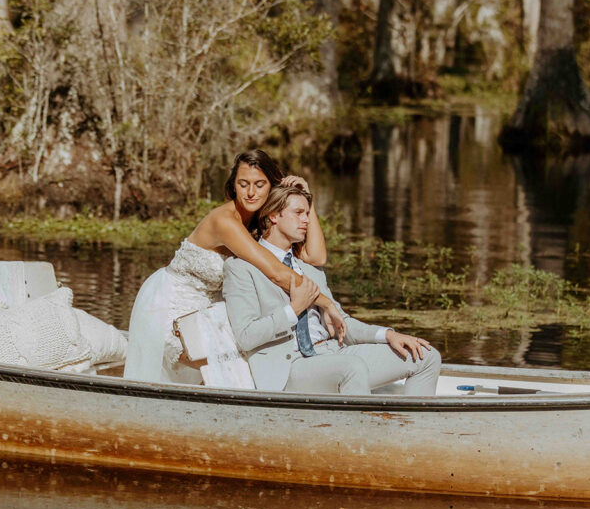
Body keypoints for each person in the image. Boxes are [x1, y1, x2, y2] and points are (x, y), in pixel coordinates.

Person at [123, 149, 346, 384]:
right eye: (243, 184)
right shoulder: (225, 222)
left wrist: (306, 199)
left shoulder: (263, 220)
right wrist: (326, 302)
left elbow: (316, 257)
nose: (251, 193)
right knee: (232, 366)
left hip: (214, 310)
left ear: (272, 184)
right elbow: (277, 273)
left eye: (260, 185)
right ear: (234, 185)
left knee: (245, 360)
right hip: (171, 306)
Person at [222, 182, 441, 395]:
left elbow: (342, 324)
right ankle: (360, 431)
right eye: (299, 213)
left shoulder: (309, 269)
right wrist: (293, 310)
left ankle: (411, 430)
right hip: (289, 367)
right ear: (273, 215)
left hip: (332, 352)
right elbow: (246, 336)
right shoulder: (241, 268)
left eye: (307, 213)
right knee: (351, 367)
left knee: (425, 356)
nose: (306, 220)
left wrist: (389, 334)